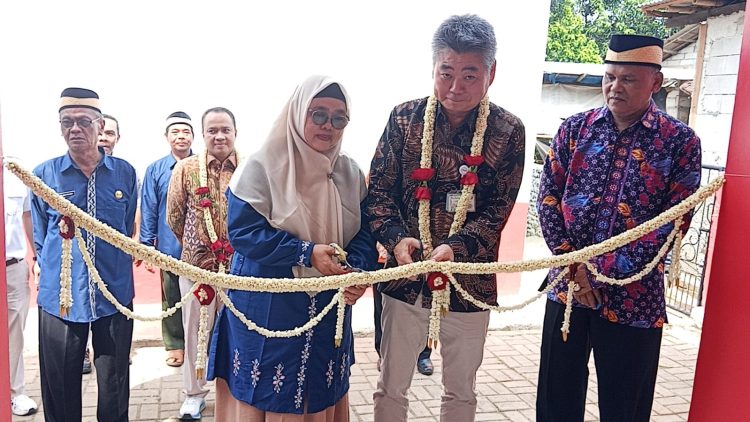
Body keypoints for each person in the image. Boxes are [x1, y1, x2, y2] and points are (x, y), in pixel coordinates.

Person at [366, 15, 526, 422]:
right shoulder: (404, 119)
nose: (456, 87)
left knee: (461, 392)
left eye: (470, 75)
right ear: (433, 68)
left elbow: (497, 210)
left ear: (491, 73)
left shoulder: (507, 130)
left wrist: (455, 247)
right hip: (404, 279)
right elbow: (379, 193)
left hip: (469, 282)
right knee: (390, 386)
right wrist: (397, 238)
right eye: (447, 73)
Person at [535, 35, 702, 422]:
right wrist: (573, 268)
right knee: (556, 398)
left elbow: (673, 223)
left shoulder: (679, 142)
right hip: (567, 289)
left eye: (628, 79)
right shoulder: (575, 130)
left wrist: (596, 274)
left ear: (655, 82)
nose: (615, 87)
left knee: (625, 405)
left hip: (635, 298)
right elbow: (548, 198)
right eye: (610, 77)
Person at [207, 75, 377, 421]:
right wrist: (306, 253)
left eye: (339, 118)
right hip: (268, 303)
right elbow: (244, 233)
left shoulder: (348, 171)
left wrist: (356, 270)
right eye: (319, 114)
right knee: (266, 387)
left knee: (318, 389)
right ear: (298, 113)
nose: (328, 125)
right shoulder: (262, 166)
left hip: (328, 304)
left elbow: (365, 231)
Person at [31, 87, 138, 421]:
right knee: (60, 385)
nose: (74, 129)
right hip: (61, 297)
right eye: (67, 122)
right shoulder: (45, 175)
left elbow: (126, 225)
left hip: (114, 292)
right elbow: (41, 235)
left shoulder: (124, 172)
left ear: (100, 125)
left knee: (115, 382)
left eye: (83, 121)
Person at [166, 106, 239, 420]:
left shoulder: (249, 168)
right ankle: (194, 395)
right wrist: (198, 249)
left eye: (225, 130)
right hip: (197, 269)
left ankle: (234, 393)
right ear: (203, 134)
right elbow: (174, 216)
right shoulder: (186, 169)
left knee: (237, 332)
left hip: (240, 271)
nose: (219, 136)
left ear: (235, 132)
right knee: (196, 331)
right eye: (212, 130)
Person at [139, 111, 194, 368]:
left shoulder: (203, 166)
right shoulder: (156, 170)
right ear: (166, 137)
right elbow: (149, 208)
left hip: (201, 249)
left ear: (193, 136)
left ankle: (201, 344)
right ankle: (175, 345)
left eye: (186, 132)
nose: (181, 136)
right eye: (175, 132)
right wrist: (147, 246)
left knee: (202, 298)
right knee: (171, 297)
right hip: (169, 247)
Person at [4, 167, 38, 416]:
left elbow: (28, 216)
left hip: (12, 266)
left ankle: (15, 392)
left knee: (14, 330)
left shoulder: (15, 174)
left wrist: (37, 256)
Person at [372, 244, 433, 375]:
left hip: (425, 256)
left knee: (427, 304)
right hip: (386, 256)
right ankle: (382, 353)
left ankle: (424, 355)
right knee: (382, 309)